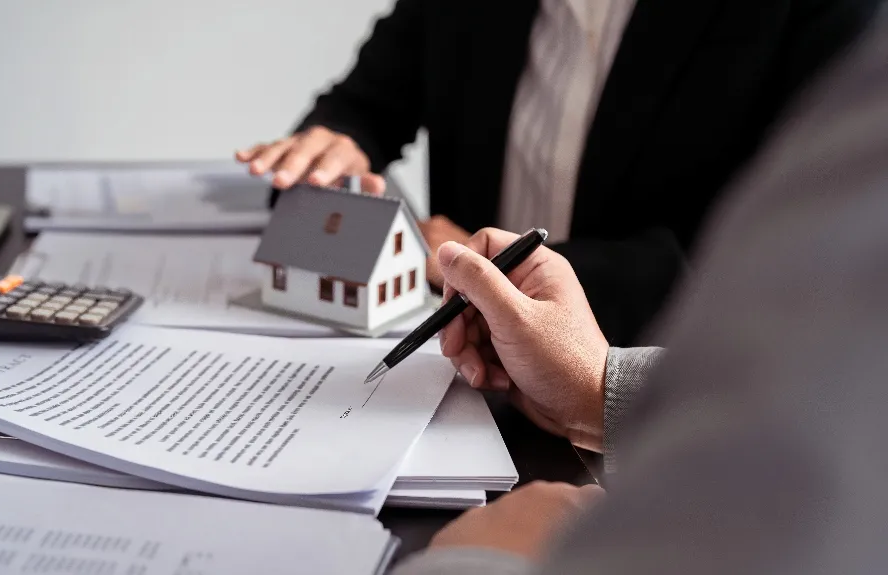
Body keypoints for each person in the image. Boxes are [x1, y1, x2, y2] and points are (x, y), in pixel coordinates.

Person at [387, 8, 888, 575]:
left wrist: (471, 563)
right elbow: (369, 97)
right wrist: (601, 385)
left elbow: (804, 417)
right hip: (531, 392)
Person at [235, 0, 881, 347]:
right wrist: (335, 145)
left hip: (659, 397)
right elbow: (365, 103)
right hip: (462, 372)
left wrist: (500, 273)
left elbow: (791, 260)